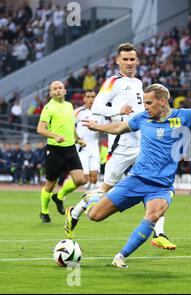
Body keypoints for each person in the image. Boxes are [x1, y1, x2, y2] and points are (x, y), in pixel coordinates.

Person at [80, 82, 191, 268]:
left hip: (161, 186)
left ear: (162, 102)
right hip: (136, 180)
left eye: (148, 103)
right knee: (94, 215)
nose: (144, 106)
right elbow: (120, 127)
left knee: (153, 216)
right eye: (144, 103)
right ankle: (90, 200)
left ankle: (120, 256)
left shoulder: (183, 116)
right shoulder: (142, 118)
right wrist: (97, 127)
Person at [65, 43, 175, 250]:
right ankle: (76, 211)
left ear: (138, 60)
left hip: (143, 142)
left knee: (157, 184)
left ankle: (160, 233)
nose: (129, 63)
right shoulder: (112, 82)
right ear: (117, 60)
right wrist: (118, 110)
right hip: (122, 144)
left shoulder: (139, 83)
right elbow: (97, 107)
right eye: (125, 59)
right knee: (106, 190)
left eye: (133, 59)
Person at [36, 81, 87, 223]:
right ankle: (44, 212)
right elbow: (40, 129)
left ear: (65, 91)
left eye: (60, 88)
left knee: (80, 180)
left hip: (70, 148)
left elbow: (70, 127)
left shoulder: (69, 106)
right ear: (51, 93)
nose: (58, 90)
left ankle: (58, 197)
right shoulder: (48, 108)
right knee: (50, 184)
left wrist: (78, 139)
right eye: (55, 89)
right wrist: (55, 136)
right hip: (55, 150)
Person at [74, 90, 101, 190]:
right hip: (82, 148)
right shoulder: (78, 112)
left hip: (94, 147)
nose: (91, 99)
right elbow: (69, 126)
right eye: (88, 97)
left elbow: (104, 127)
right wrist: (77, 139)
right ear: (84, 99)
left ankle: (90, 202)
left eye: (93, 97)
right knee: (84, 179)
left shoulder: (100, 112)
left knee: (94, 177)